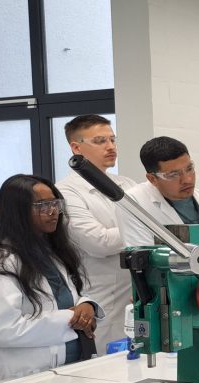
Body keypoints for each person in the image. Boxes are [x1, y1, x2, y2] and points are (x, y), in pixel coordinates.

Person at [0, 175, 104, 383]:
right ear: (17, 212)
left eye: (55, 203)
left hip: (73, 368)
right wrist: (71, 318)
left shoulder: (53, 253)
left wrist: (87, 306)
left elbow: (69, 297)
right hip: (24, 379)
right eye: (42, 205)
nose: (53, 211)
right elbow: (2, 329)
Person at [55, 115, 137, 351]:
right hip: (99, 300)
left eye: (112, 139)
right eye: (100, 141)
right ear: (76, 148)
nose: (110, 147)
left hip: (134, 294)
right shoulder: (66, 192)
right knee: (106, 362)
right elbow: (98, 243)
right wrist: (139, 230)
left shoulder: (128, 185)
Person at [118, 136, 199, 246]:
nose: (187, 180)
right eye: (173, 174)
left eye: (189, 168)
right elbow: (141, 253)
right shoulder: (133, 204)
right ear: (152, 179)